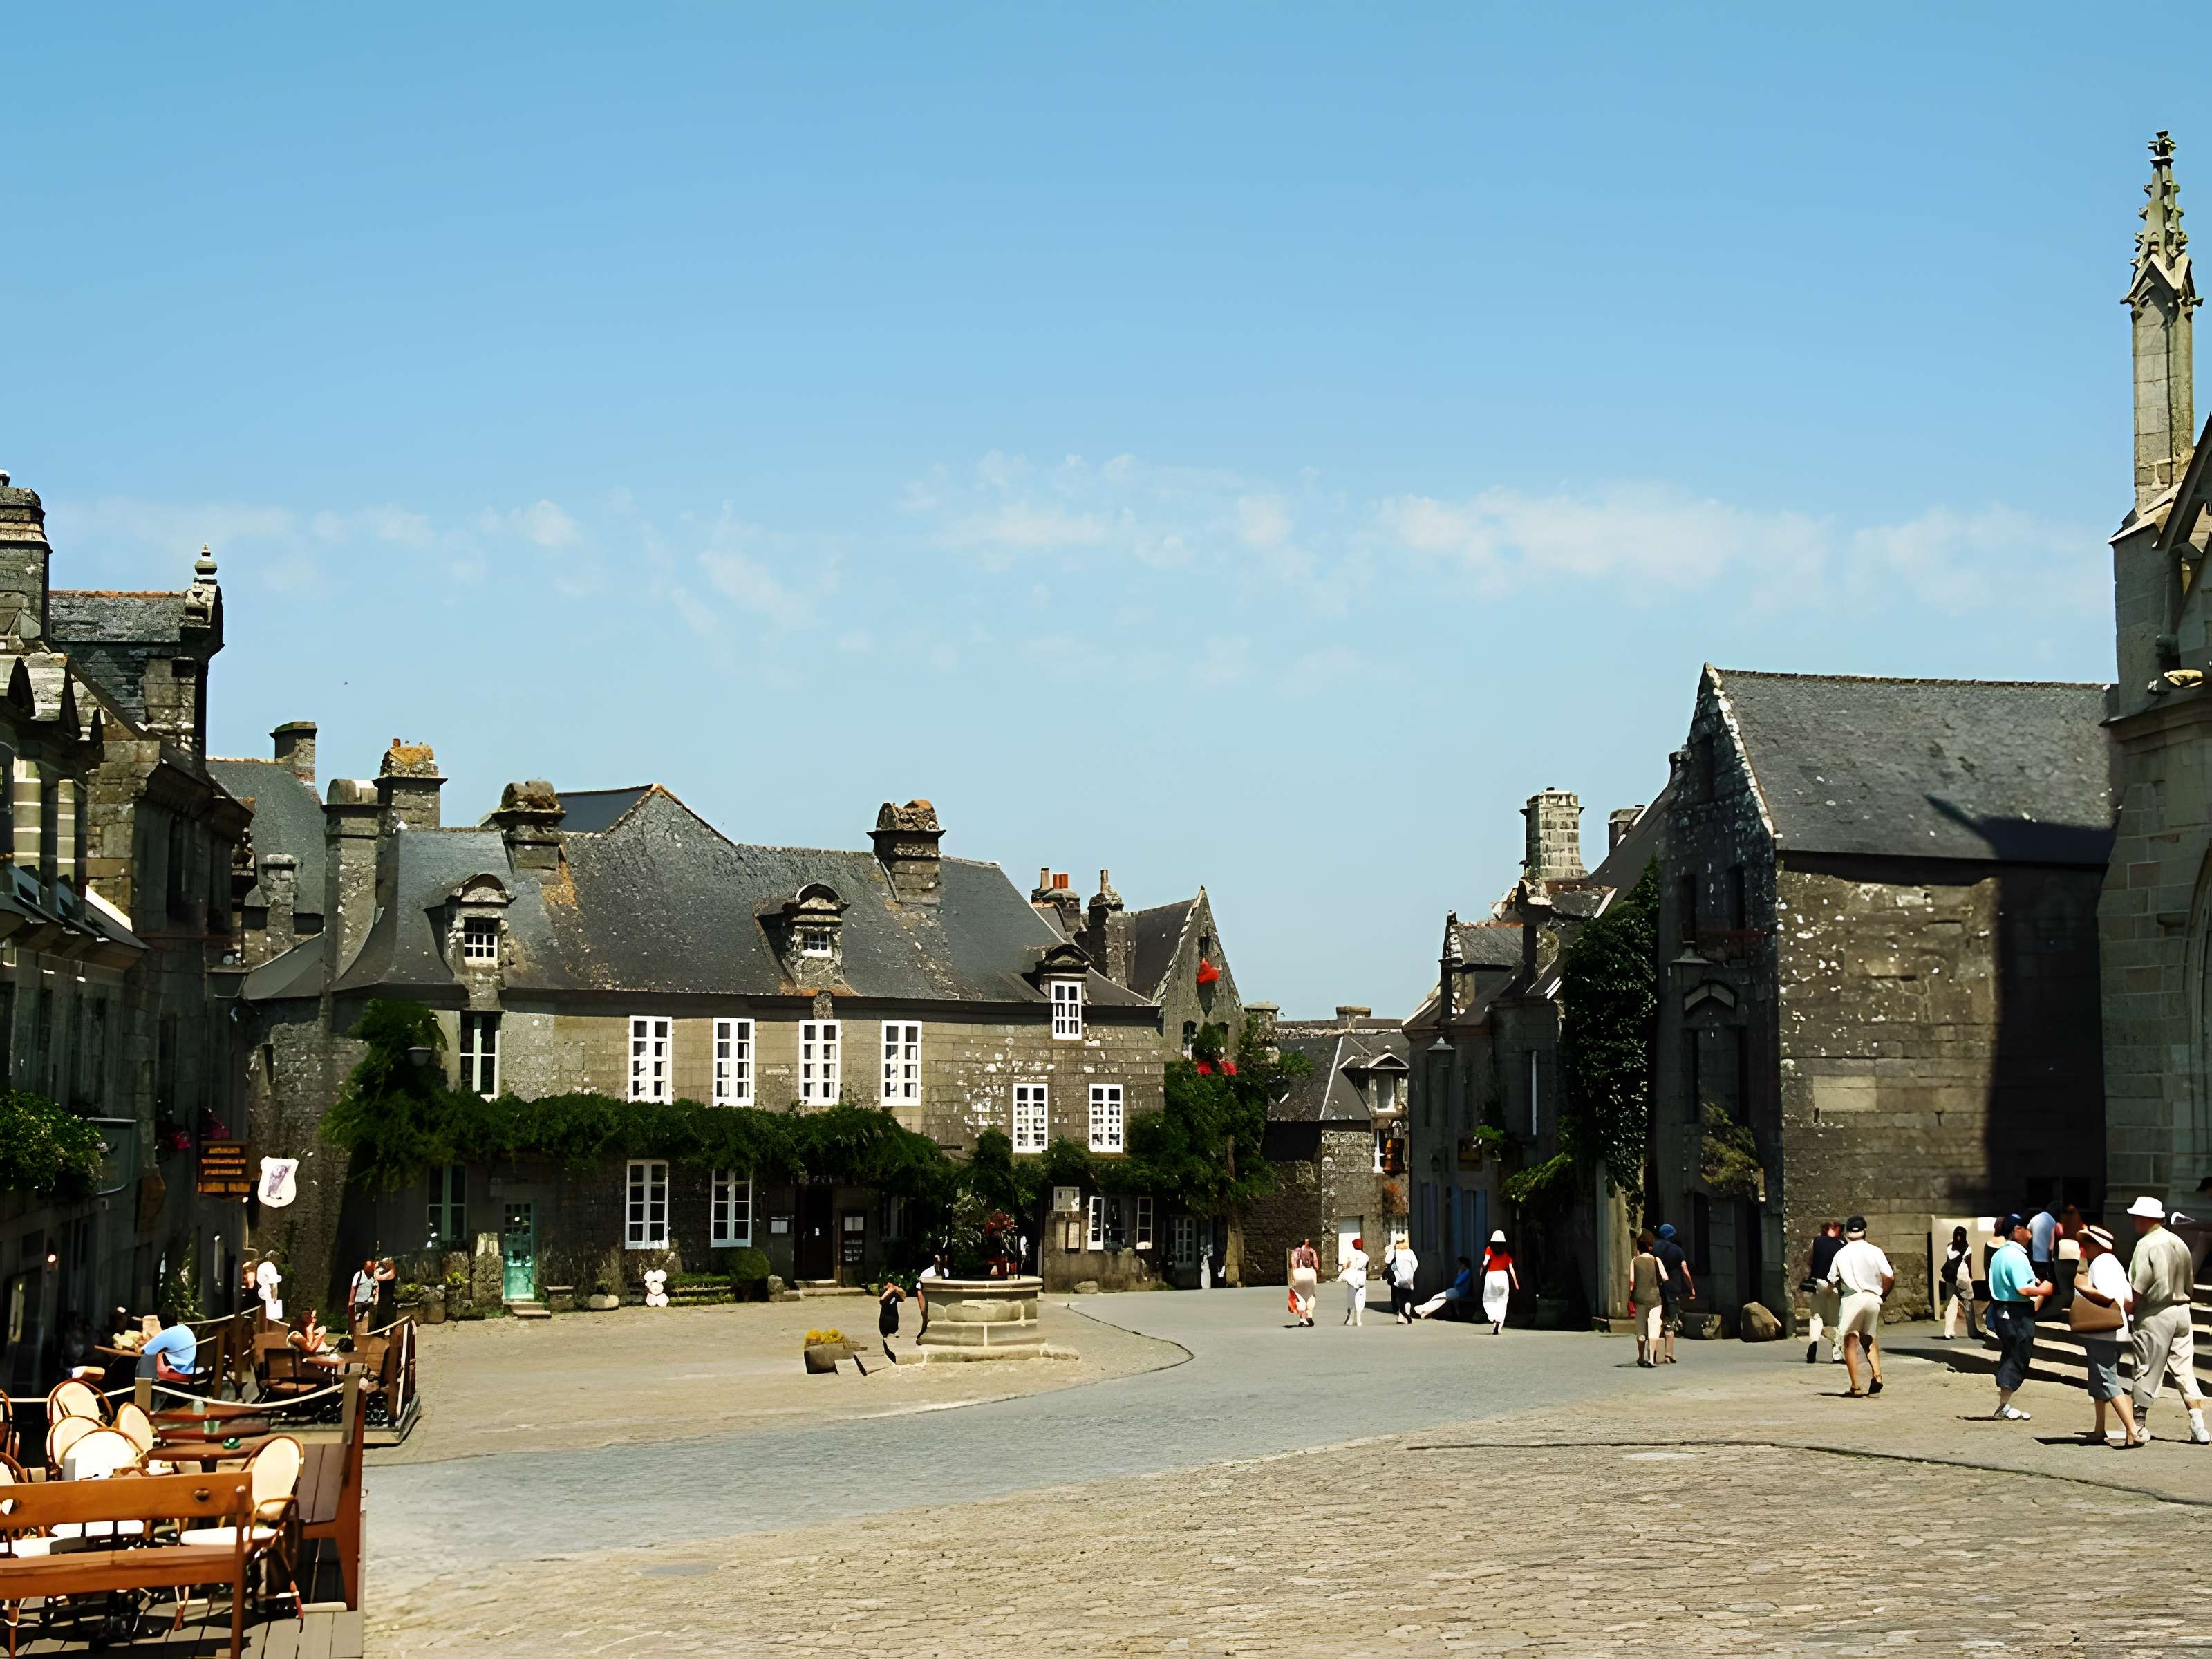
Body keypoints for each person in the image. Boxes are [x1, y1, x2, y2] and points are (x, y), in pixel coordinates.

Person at [2124, 1194, 2210, 1444]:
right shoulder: (2178, 1242)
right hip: (2182, 1311)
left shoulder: (2146, 1245)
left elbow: (2137, 1289)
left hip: (2155, 1313)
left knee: (2146, 1368)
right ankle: (2199, 1425)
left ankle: (2138, 1426)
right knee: (2184, 1370)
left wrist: (2126, 1310)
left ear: (2144, 1218)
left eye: (2135, 1217)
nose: (2133, 1221)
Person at [2072, 1226, 2139, 1447]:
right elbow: (2128, 1299)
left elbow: (2106, 1296)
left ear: (2100, 1245)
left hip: (2104, 1333)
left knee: (2107, 1380)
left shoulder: (2101, 1263)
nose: (2085, 1247)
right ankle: (2100, 1429)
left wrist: (2082, 1286)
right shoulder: (2115, 1264)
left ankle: (2132, 1430)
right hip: (2114, 1331)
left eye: (2089, 1243)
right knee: (2099, 1380)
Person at [1985, 1212, 2052, 1421]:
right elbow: (2024, 1289)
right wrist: (2046, 1290)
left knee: (2012, 1353)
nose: (2031, 1236)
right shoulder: (2015, 1256)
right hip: (2015, 1313)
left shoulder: (2000, 1254)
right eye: (2027, 1230)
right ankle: (2004, 1405)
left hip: (2004, 1310)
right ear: (2017, 1230)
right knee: (2016, 1355)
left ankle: (2004, 1404)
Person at [1824, 1216, 1893, 1398]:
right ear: (1865, 1231)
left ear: (1847, 1233)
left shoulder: (1841, 1254)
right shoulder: (1875, 1251)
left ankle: (1855, 1387)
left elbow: (1832, 1280)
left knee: (1850, 1340)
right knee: (1869, 1337)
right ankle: (1877, 1375)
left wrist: (1830, 1291)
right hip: (1872, 1298)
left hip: (1852, 1299)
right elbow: (1889, 1277)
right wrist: (1882, 1296)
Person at [1651, 1223, 1694, 1363]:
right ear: (1672, 1235)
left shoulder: (1655, 1247)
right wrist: (1691, 1287)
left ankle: (1654, 1353)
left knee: (1657, 1319)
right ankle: (1669, 1354)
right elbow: (1685, 1270)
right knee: (1670, 1320)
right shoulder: (1677, 1250)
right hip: (1672, 1288)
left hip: (1657, 1287)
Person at [1804, 1221, 1845, 1366]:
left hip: (1819, 1283)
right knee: (1835, 1320)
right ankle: (1837, 1354)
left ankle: (1813, 1343)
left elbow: (1809, 1260)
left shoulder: (1816, 1241)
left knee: (1816, 1316)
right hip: (1833, 1285)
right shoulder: (1842, 1245)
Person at [1629, 1231, 1667, 1367]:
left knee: (1641, 1329)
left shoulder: (1635, 1261)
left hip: (1640, 1298)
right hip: (1655, 1298)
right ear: (1651, 1246)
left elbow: (1632, 1281)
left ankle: (1640, 1357)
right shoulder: (1657, 1260)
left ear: (1639, 1246)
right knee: (1654, 1326)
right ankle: (1651, 1358)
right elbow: (1665, 1277)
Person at [1939, 1225, 1980, 1340]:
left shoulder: (1949, 1247)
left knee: (1951, 1304)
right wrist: (1970, 1278)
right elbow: (1968, 1265)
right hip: (1962, 1278)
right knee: (1968, 1305)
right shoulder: (1968, 1248)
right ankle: (1972, 1332)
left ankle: (1948, 1332)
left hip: (1950, 1279)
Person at [136, 1309, 197, 1384]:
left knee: (146, 1360)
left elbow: (144, 1351)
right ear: (176, 1319)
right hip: (191, 1370)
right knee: (158, 1356)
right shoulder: (185, 1329)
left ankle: (144, 1391)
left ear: (160, 1322)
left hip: (180, 1373)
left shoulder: (167, 1333)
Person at [1479, 1230, 1517, 1335]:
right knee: (1502, 1301)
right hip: (1503, 1277)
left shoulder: (1489, 1250)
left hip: (1492, 1276)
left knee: (1489, 1299)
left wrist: (1482, 1268)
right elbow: (1511, 1269)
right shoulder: (1506, 1253)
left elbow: (1485, 1262)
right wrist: (1516, 1282)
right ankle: (1499, 1324)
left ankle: (1495, 1318)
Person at [1413, 1256, 1473, 1320]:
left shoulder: (1467, 1272)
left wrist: (1460, 1273)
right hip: (1456, 1291)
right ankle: (1423, 1311)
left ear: (1463, 1265)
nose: (1458, 1266)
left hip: (1459, 1292)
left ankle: (1419, 1310)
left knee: (1439, 1299)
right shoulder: (1466, 1272)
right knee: (1436, 1297)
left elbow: (1457, 1282)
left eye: (1459, 1264)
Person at [1383, 1236, 1420, 1324]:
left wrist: (1392, 1249)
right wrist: (1411, 1272)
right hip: (1409, 1279)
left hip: (1399, 1280)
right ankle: (1406, 1316)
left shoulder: (1395, 1252)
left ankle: (1403, 1317)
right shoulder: (1410, 1252)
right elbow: (1416, 1265)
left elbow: (1387, 1260)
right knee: (1408, 1298)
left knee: (1400, 1298)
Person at [1339, 1235, 1369, 1327]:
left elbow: (1346, 1266)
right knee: (1361, 1299)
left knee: (1351, 1299)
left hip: (1352, 1278)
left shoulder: (1349, 1255)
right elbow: (1367, 1267)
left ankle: (1350, 1319)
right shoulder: (1366, 1256)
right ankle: (1359, 1320)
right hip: (1361, 1278)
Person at [1289, 1239, 1320, 1327]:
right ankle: (1309, 1316)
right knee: (1311, 1296)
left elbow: (1294, 1265)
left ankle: (1302, 1318)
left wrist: (1292, 1278)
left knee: (1300, 1296)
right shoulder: (1312, 1251)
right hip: (1310, 1273)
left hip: (1298, 1273)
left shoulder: (1295, 1252)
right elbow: (1316, 1265)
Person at [877, 1278, 906, 1362]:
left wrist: (896, 1289)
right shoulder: (884, 1292)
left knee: (893, 1337)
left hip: (893, 1318)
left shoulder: (896, 1293)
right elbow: (882, 1300)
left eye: (887, 1284)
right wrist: (889, 1291)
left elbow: (904, 1296)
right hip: (884, 1318)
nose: (885, 1286)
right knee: (885, 1336)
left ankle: (893, 1355)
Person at [348, 1257, 378, 1335]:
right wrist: (351, 1301)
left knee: (366, 1321)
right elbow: (353, 1288)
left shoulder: (374, 1277)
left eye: (371, 1269)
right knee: (357, 1320)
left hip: (368, 1302)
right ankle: (355, 1336)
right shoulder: (359, 1275)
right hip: (358, 1302)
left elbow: (377, 1288)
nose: (370, 1271)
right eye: (368, 1269)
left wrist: (376, 1298)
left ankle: (364, 1336)